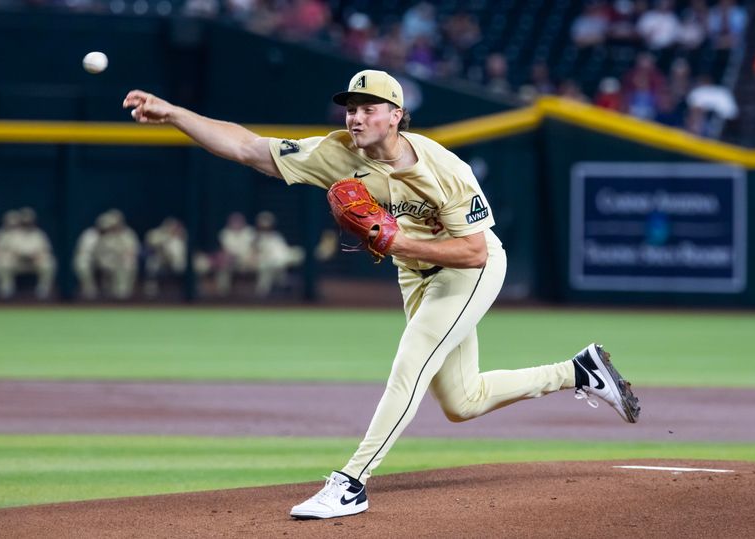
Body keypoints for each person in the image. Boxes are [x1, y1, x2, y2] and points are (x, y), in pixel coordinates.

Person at [123, 69, 640, 520]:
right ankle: (580, 371)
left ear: (396, 115)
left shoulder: (445, 170)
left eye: (368, 108)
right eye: (350, 108)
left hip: (468, 269)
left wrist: (398, 240)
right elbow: (246, 147)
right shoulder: (336, 154)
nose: (355, 117)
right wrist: (174, 114)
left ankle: (350, 483)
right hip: (416, 273)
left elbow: (476, 252)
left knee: (410, 363)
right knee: (462, 402)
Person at [0, 207, 56, 300]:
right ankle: (6, 290)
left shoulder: (39, 234)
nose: (27, 225)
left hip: (34, 263)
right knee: (4, 263)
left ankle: (43, 290)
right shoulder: (12, 234)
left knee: (49, 263)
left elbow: (46, 250)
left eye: (29, 222)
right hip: (17, 263)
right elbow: (6, 251)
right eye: (25, 223)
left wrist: (38, 255)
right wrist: (16, 255)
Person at [143, 217, 187, 297]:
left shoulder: (179, 238)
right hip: (160, 260)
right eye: (170, 226)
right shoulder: (157, 234)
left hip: (175, 262)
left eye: (174, 227)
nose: (172, 229)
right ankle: (151, 292)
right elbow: (150, 244)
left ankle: (185, 291)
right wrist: (166, 239)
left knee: (185, 266)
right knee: (152, 263)